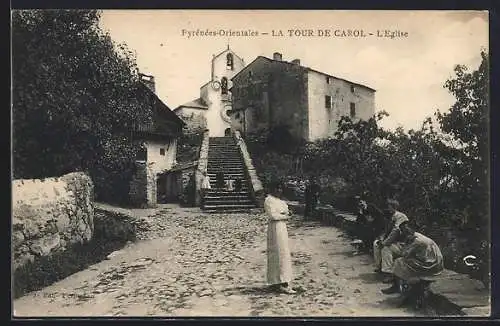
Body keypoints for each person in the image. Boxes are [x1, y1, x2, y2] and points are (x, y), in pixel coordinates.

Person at [381, 221, 444, 297]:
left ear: (411, 229)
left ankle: (396, 286)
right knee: (403, 260)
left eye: (406, 230)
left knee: (399, 261)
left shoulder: (417, 241)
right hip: (434, 261)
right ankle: (398, 284)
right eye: (404, 230)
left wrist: (405, 248)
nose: (405, 232)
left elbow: (405, 254)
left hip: (432, 265)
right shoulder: (416, 236)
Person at [265, 181, 296, 294]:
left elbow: (287, 211)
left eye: (280, 188)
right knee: (276, 253)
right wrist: (285, 216)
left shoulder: (281, 201)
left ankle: (283, 280)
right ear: (272, 189)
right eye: (277, 188)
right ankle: (276, 281)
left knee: (283, 253)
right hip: (275, 228)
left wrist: (286, 214)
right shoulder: (269, 200)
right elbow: (273, 215)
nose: (279, 190)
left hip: (282, 228)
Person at [373, 199, 409, 283]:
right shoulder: (391, 217)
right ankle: (379, 266)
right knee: (376, 243)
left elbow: (395, 232)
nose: (388, 209)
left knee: (386, 248)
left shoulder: (400, 216)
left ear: (395, 207)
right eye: (388, 207)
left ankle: (388, 273)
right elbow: (386, 231)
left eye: (390, 207)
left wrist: (384, 243)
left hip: (402, 245)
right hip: (394, 242)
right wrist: (381, 239)